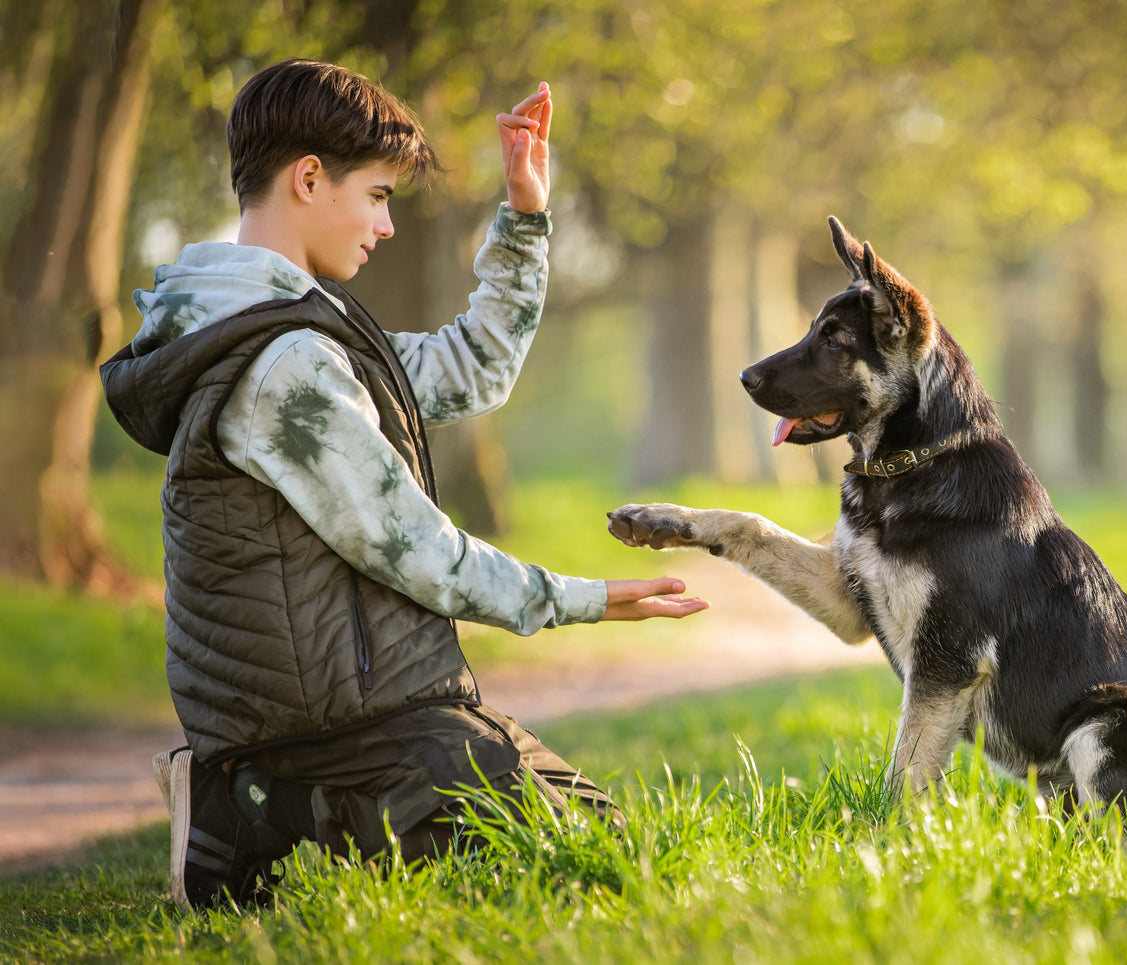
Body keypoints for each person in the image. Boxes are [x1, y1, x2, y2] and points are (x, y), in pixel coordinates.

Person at [100, 58, 708, 912]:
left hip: (350, 704)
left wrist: (526, 216)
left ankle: (244, 804)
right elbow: (417, 550)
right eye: (379, 195)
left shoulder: (299, 328)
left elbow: (469, 371)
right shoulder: (284, 366)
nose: (386, 226)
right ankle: (256, 795)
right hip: (341, 723)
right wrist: (585, 598)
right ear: (309, 178)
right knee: (591, 857)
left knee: (595, 842)